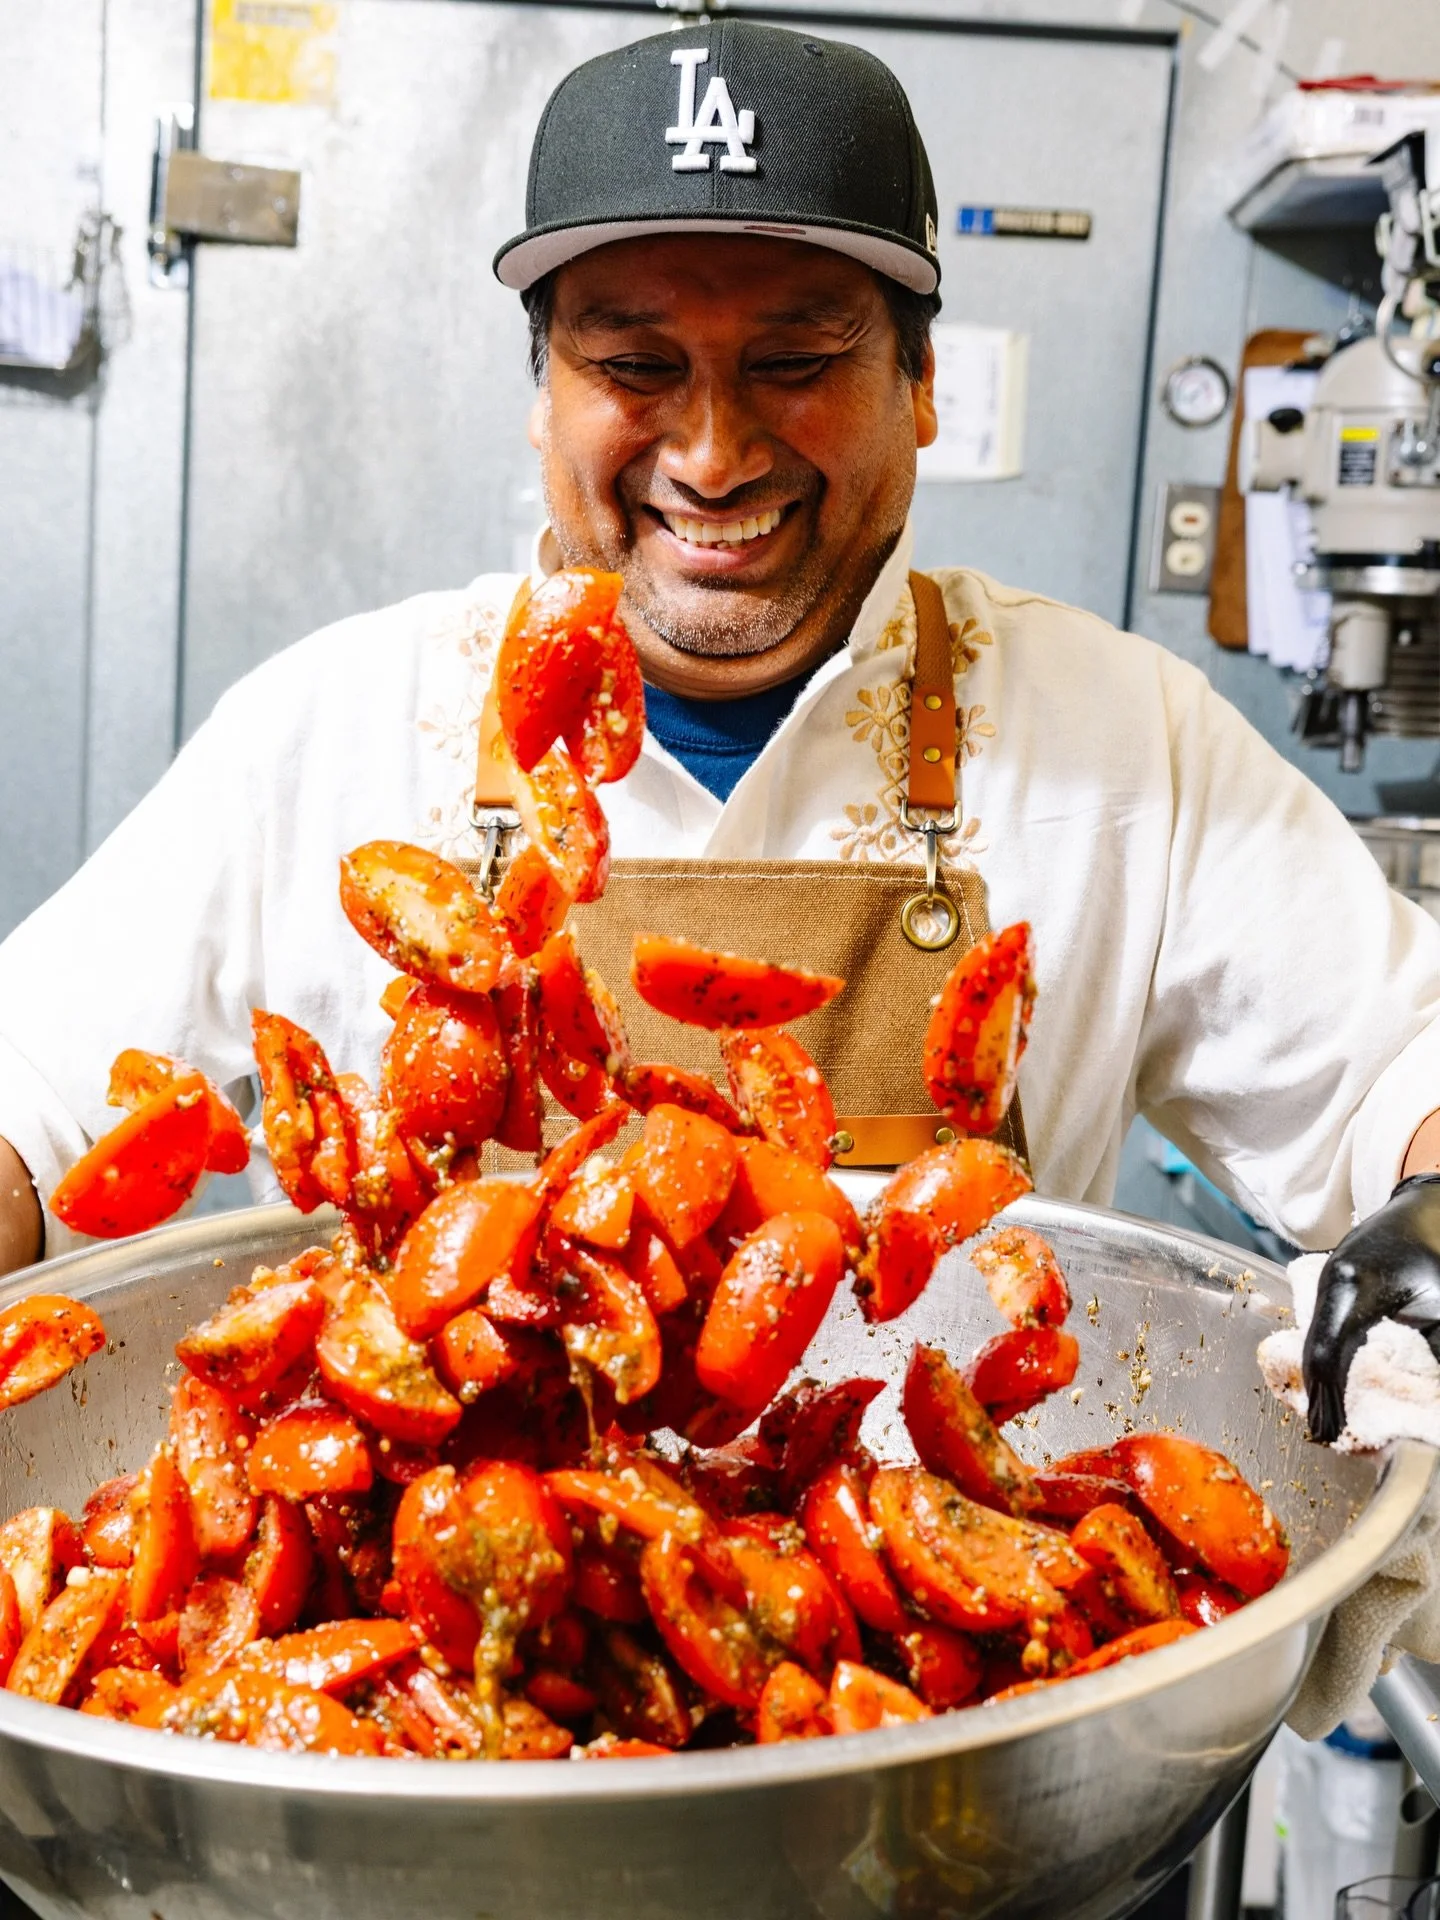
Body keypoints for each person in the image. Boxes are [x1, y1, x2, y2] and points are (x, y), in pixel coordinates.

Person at [0, 17, 1438, 1436]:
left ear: (921, 387)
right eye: (634, 367)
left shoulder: (1127, 740)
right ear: (544, 397)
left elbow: (1399, 1065)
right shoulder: (329, 728)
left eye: (795, 360)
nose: (710, 454)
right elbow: (32, 1094)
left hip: (942, 1570)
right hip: (431, 1561)